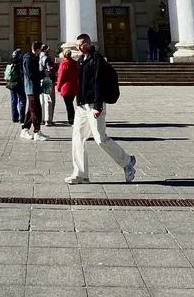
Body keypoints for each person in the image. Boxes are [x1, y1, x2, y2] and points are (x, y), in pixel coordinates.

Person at [67, 33, 135, 184]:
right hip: (82, 106)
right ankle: (80, 174)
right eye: (78, 44)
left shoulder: (97, 59)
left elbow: (98, 82)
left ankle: (127, 161)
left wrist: (98, 106)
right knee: (78, 138)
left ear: (89, 44)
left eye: (83, 44)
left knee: (100, 139)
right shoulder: (80, 61)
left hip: (94, 105)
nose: (80, 47)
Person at [20, 42, 48, 141]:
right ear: (37, 49)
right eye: (41, 49)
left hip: (34, 87)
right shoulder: (28, 59)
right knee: (35, 109)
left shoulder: (34, 57)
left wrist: (43, 73)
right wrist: (42, 74)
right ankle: (37, 132)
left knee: (31, 109)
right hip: (31, 88)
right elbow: (30, 75)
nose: (41, 51)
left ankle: (25, 130)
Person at [56, 48, 79, 126]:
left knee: (68, 105)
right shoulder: (75, 63)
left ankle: (71, 119)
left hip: (66, 87)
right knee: (70, 103)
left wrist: (58, 87)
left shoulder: (63, 64)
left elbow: (61, 77)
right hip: (74, 86)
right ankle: (72, 118)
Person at [38, 44, 57, 127]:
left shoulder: (38, 57)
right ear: (45, 49)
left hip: (41, 79)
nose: (49, 49)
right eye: (48, 48)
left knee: (42, 100)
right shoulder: (46, 58)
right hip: (47, 80)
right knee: (48, 99)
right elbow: (49, 69)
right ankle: (48, 119)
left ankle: (41, 118)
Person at [6, 48, 26, 125]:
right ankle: (22, 118)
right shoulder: (21, 63)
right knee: (22, 100)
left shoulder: (9, 63)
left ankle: (14, 117)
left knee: (13, 101)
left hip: (11, 84)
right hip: (19, 83)